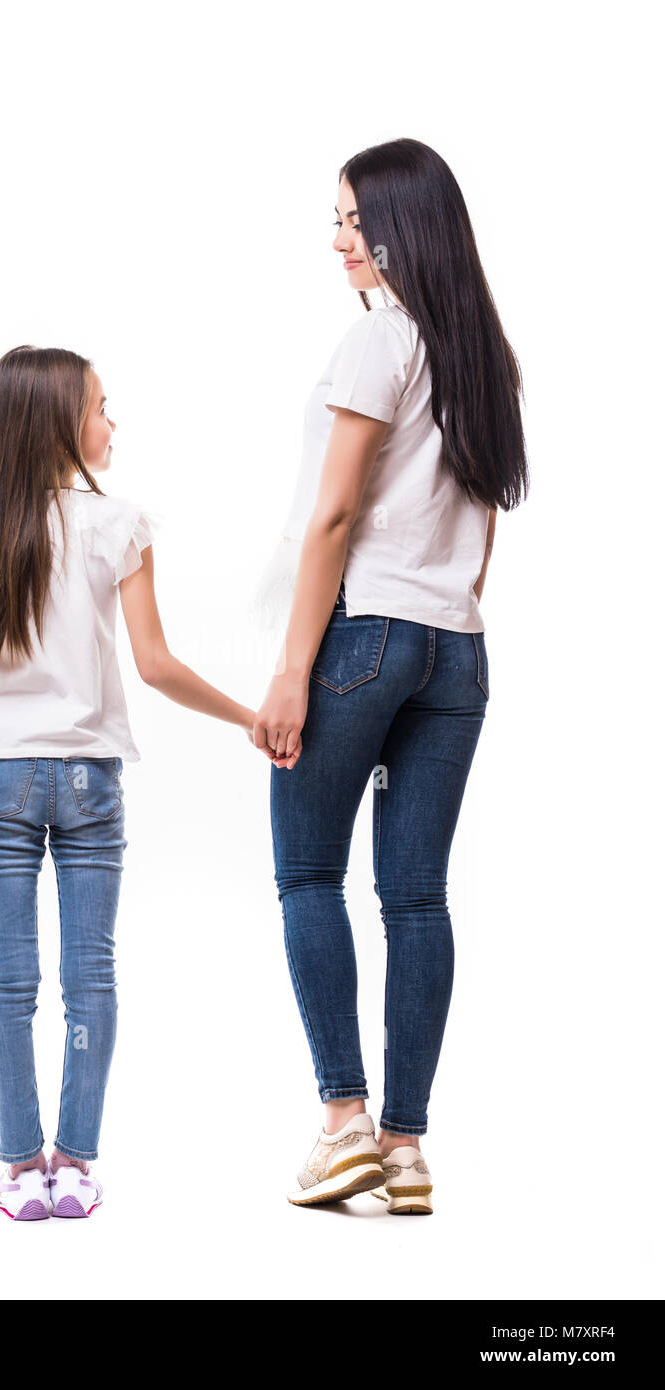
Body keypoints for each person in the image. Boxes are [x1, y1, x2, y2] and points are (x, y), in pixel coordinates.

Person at [251, 138, 528, 1212]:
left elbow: (332, 514)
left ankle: (343, 1125)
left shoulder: (379, 343)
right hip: (456, 646)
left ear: (399, 226)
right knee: (414, 897)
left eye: (349, 222)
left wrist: (290, 667)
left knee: (307, 875)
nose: (336, 242)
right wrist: (444, 616)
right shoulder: (482, 359)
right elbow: (484, 520)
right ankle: (405, 1152)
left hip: (362, 635)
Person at [0, 345, 262, 1219]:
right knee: (91, 977)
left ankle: (18, 1170)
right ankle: (74, 1165)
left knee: (7, 982)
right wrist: (248, 716)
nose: (111, 423)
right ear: (58, 425)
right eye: (100, 408)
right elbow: (154, 666)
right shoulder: (118, 525)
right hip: (89, 779)